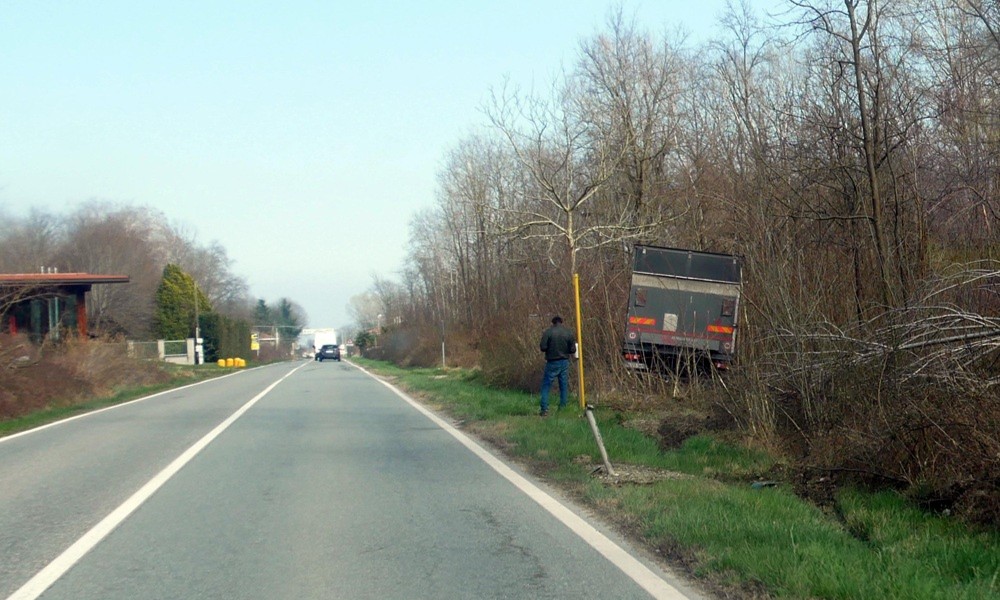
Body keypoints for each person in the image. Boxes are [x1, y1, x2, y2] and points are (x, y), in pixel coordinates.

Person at [538, 315, 577, 416]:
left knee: (546, 386)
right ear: (561, 322)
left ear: (553, 322)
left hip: (551, 362)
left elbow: (542, 347)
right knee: (563, 385)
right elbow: (573, 349)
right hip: (564, 362)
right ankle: (563, 408)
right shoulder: (568, 332)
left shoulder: (548, 332)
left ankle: (544, 409)